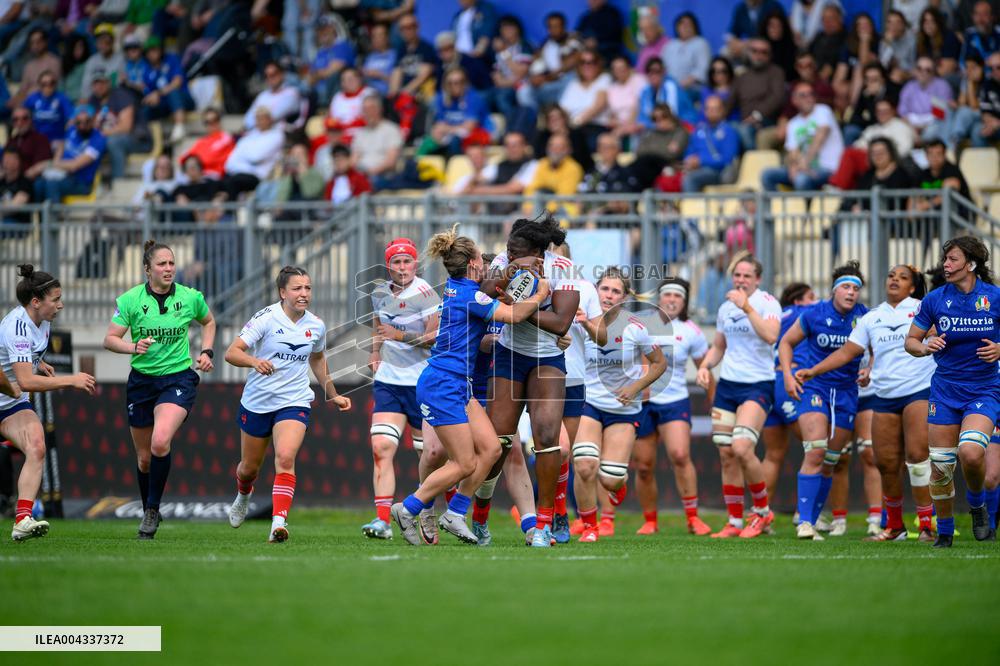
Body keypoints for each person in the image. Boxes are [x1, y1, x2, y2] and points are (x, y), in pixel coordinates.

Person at [391, 225, 549, 546]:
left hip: (458, 384)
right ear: (475, 265)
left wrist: (511, 274)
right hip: (443, 384)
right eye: (483, 262)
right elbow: (515, 316)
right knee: (465, 463)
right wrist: (541, 294)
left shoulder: (456, 287)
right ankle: (408, 507)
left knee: (492, 449)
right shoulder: (469, 294)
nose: (488, 268)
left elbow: (493, 291)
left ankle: (454, 513)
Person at [798, 265, 936, 542]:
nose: (894, 279)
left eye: (903, 277)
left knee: (918, 460)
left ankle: (927, 526)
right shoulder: (872, 317)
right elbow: (848, 352)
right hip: (883, 396)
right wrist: (813, 371)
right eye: (891, 275)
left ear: (912, 287)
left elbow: (946, 337)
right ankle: (895, 527)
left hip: (918, 391)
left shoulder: (924, 308)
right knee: (885, 463)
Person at [225, 266, 351, 543]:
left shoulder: (316, 325)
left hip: (294, 401)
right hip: (257, 402)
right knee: (249, 468)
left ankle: (278, 523)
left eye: (307, 288)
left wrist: (332, 393)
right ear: (283, 292)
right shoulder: (266, 318)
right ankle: (243, 495)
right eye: (297, 288)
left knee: (284, 458)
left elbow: (317, 358)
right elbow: (232, 353)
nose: (304, 293)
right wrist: (254, 361)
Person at [480, 216, 584, 547]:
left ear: (537, 252)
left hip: (547, 360)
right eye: (509, 250)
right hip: (509, 355)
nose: (509, 255)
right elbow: (482, 296)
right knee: (497, 442)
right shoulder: (502, 261)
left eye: (517, 252)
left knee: (547, 437)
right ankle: (480, 520)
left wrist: (521, 308)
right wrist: (509, 274)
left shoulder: (563, 268)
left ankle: (544, 524)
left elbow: (561, 323)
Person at [102, 240, 216, 540]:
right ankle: (148, 507)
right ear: (147, 269)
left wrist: (207, 352)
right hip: (141, 382)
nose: (168, 269)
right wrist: (132, 346)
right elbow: (110, 339)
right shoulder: (130, 300)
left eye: (171, 263)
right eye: (162, 264)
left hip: (178, 378)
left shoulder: (191, 297)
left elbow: (209, 321)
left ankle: (152, 511)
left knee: (160, 440)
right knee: (144, 459)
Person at [905, 236, 1000, 547]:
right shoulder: (934, 300)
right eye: (945, 259)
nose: (946, 264)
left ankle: (977, 506)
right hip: (945, 391)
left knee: (972, 453)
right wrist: (924, 346)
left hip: (984, 389)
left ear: (970, 264)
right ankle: (944, 533)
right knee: (942, 467)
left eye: (953, 259)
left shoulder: (994, 297)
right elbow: (911, 341)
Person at [0, 265, 96, 541]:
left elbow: (23, 366)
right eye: (55, 299)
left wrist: (39, 362)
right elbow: (26, 382)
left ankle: (22, 520)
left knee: (37, 446)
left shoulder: (44, 321)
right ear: (35, 302)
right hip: (12, 392)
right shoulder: (17, 326)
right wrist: (71, 380)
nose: (60, 305)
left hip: (11, 403)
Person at [574, 267, 666, 543]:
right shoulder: (577, 320)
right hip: (588, 402)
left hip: (623, 410)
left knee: (610, 478)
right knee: (584, 463)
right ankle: (590, 525)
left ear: (624, 298)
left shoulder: (636, 329)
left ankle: (619, 484)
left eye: (616, 291)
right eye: (605, 289)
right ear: (595, 290)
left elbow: (660, 364)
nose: (609, 295)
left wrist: (636, 387)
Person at [780, 261, 868, 541]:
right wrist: (787, 375)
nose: (851, 292)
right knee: (816, 451)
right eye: (846, 286)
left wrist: (870, 368)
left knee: (830, 460)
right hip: (815, 388)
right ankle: (803, 522)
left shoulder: (865, 317)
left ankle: (813, 518)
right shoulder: (814, 314)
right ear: (833, 290)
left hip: (846, 393)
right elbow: (786, 342)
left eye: (856, 288)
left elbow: (877, 347)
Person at [696, 255, 780, 539]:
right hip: (728, 386)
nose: (741, 280)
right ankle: (734, 522)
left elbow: (771, 336)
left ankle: (762, 512)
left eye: (747, 276)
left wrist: (747, 308)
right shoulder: (724, 308)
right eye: (737, 275)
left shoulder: (768, 303)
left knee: (743, 447)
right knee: (727, 454)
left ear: (757, 279)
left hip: (758, 385)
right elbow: (719, 346)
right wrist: (705, 367)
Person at [362, 239, 440, 540]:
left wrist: (400, 335)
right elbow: (377, 324)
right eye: (397, 262)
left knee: (431, 458)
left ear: (415, 264)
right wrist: (375, 352)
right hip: (389, 382)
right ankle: (383, 521)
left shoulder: (426, 294)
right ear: (388, 266)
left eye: (407, 261)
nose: (402, 267)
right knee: (381, 448)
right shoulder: (380, 293)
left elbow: (434, 337)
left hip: (422, 383)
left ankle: (429, 514)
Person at [633, 278, 713, 536]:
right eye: (667, 294)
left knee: (680, 456)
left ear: (685, 301)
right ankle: (650, 521)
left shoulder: (692, 331)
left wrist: (715, 402)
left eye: (677, 296)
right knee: (644, 466)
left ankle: (692, 518)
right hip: (643, 402)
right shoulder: (641, 326)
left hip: (675, 400)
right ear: (659, 299)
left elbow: (706, 366)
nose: (672, 300)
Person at [762, 282, 816, 504]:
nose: (815, 301)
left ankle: (760, 514)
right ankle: (807, 515)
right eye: (811, 296)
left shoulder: (775, 316)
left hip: (770, 381)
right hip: (792, 379)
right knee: (816, 447)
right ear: (798, 301)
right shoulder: (806, 312)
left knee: (773, 454)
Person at [761, 81, 844, 191]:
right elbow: (793, 152)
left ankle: (804, 208)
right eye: (803, 95)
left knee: (801, 179)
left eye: (811, 94)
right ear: (794, 100)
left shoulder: (823, 110)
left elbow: (820, 136)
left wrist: (805, 163)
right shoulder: (793, 123)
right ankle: (778, 207)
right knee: (767, 175)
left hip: (828, 169)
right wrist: (794, 166)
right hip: (803, 169)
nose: (808, 98)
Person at [31, 104, 104, 202]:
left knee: (52, 184)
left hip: (81, 182)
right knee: (38, 184)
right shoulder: (72, 130)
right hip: (62, 173)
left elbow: (74, 165)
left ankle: (53, 217)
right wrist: (56, 162)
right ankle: (41, 217)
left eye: (87, 121)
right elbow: (62, 145)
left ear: (93, 120)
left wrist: (48, 164)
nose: (82, 125)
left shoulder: (98, 139)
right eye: (78, 122)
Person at [681, 95, 740, 193]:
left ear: (722, 111)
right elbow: (690, 151)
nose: (711, 112)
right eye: (708, 109)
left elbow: (728, 159)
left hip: (717, 171)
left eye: (715, 109)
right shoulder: (699, 130)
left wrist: (701, 161)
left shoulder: (729, 131)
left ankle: (692, 208)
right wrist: (689, 160)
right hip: (696, 169)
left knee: (691, 179)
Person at [662, 12, 711, 96]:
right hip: (669, 88)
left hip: (692, 88)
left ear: (695, 27)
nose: (685, 27)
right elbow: (662, 66)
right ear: (677, 27)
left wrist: (682, 84)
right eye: (682, 24)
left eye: (688, 24)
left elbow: (703, 69)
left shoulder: (701, 43)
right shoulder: (670, 45)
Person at [23, 72, 74, 144]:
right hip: (37, 138)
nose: (48, 86)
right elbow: (22, 112)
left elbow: (71, 118)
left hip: (58, 139)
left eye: (51, 83)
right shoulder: (33, 98)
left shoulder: (62, 98)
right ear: (39, 85)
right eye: (44, 84)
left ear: (55, 84)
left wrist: (67, 136)